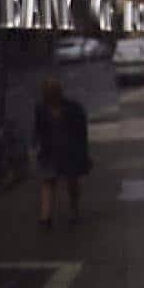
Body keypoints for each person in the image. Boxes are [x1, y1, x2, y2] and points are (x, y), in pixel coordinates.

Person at [32, 78, 91, 229]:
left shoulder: (72, 108)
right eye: (47, 92)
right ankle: (45, 218)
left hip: (70, 152)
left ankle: (73, 210)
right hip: (50, 151)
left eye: (51, 92)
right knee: (48, 182)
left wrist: (83, 152)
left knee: (71, 182)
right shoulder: (41, 108)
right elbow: (39, 129)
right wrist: (35, 143)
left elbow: (81, 132)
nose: (48, 95)